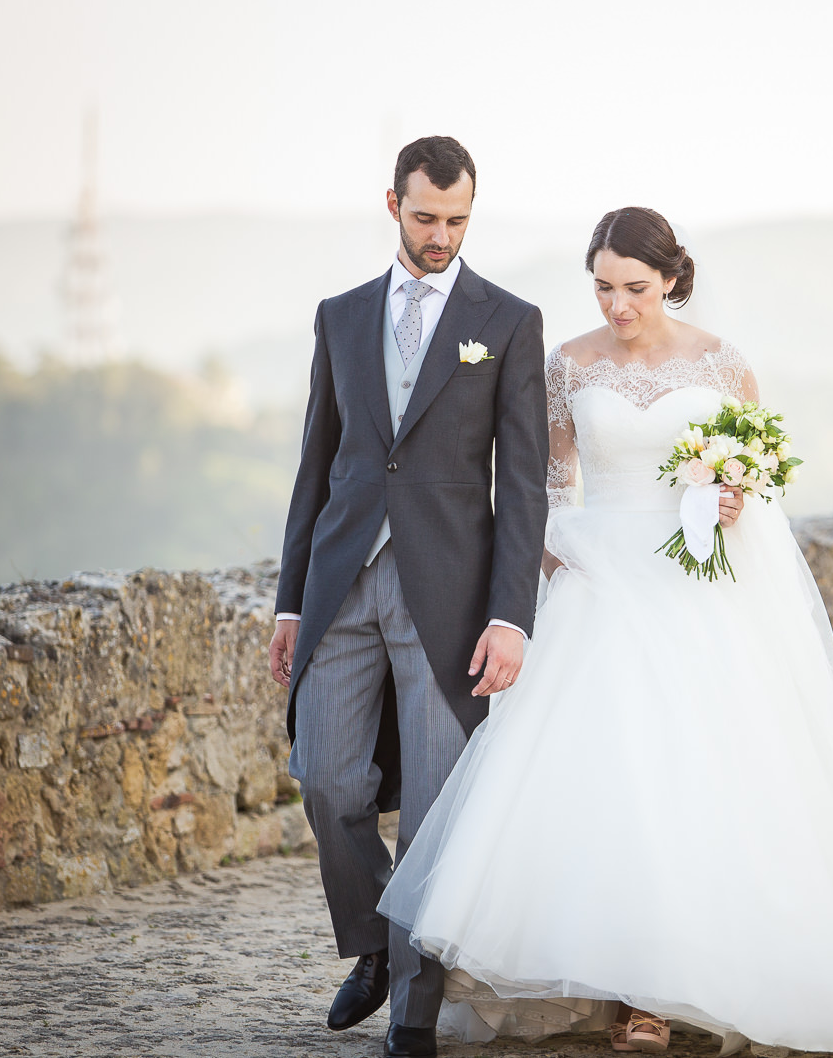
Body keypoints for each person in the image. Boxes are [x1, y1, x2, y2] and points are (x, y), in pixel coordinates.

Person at [378, 207, 833, 1058]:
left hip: (704, 589)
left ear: (671, 277)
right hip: (601, 583)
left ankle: (676, 993)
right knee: (613, 784)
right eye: (601, 286)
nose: (617, 304)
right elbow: (549, 493)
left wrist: (736, 500)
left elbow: (761, 491)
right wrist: (575, 568)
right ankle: (622, 987)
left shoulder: (724, 362)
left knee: (704, 783)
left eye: (634, 287)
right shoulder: (567, 365)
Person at [268, 136, 549, 1058]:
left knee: (433, 809)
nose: (441, 236)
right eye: (426, 217)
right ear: (392, 203)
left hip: (452, 599)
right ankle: (376, 942)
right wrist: (288, 602)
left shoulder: (506, 320)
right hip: (340, 582)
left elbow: (526, 485)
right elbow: (317, 464)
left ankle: (414, 1015)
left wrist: (511, 614)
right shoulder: (340, 316)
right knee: (327, 778)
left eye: (458, 220)